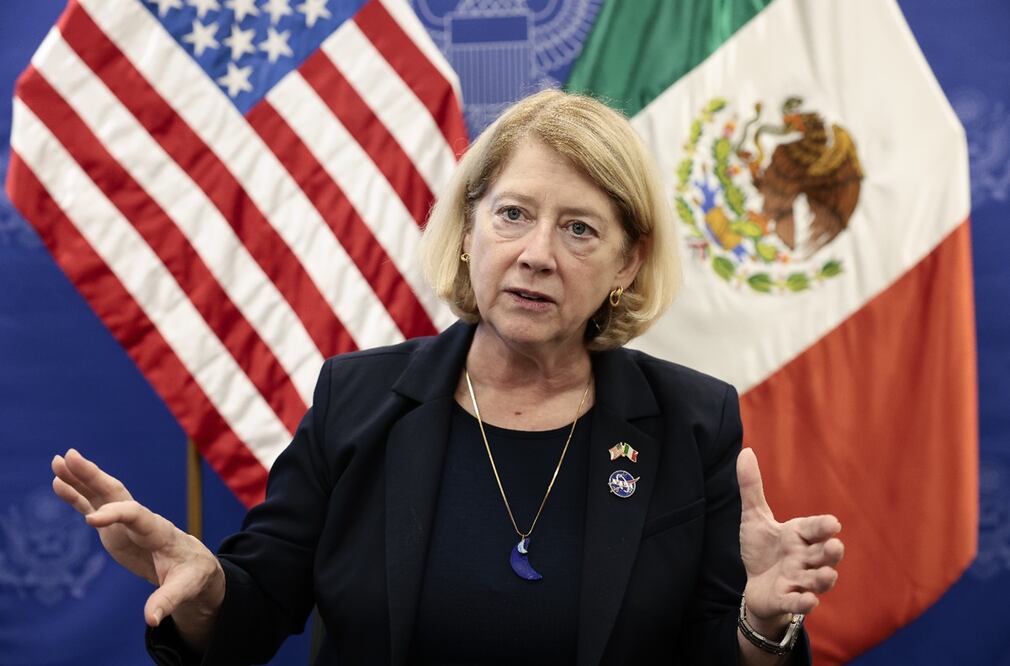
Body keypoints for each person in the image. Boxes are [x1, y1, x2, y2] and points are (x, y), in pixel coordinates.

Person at [51, 89, 843, 665]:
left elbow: (716, 651)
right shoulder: (358, 401)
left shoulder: (691, 422)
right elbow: (256, 608)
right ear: (467, 230)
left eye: (578, 228)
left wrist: (761, 622)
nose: (536, 253)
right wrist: (203, 589)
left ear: (627, 264)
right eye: (512, 214)